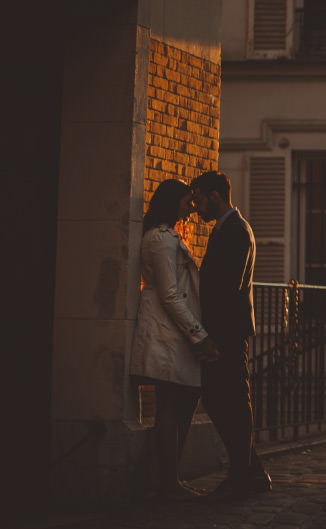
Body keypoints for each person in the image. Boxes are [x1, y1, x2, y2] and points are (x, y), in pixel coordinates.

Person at [129, 179, 219, 502]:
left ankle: (168, 479)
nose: (190, 208)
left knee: (181, 399)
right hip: (167, 333)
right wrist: (199, 335)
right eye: (186, 202)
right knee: (169, 404)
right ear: (171, 203)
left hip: (175, 332)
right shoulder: (161, 239)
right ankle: (168, 482)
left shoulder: (169, 237)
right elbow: (169, 294)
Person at [190, 171, 271, 501]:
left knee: (233, 400)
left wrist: (209, 336)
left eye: (199, 199)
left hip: (228, 330)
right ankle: (252, 471)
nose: (196, 207)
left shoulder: (236, 230)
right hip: (225, 328)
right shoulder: (226, 228)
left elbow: (226, 287)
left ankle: (241, 477)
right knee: (219, 398)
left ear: (215, 195)